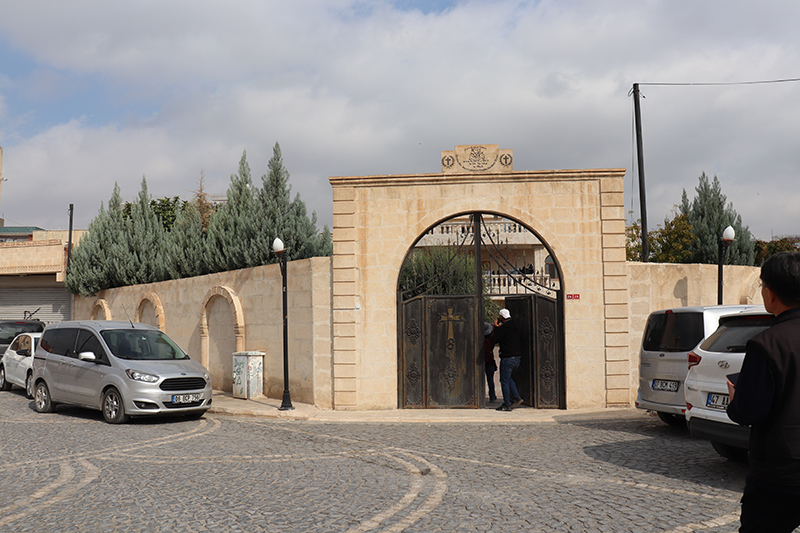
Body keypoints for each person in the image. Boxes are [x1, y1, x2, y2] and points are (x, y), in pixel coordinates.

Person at [727, 251, 800, 533]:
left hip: (779, 475)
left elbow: (749, 411)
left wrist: (736, 399)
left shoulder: (766, 344)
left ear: (769, 293)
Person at [490, 308, 524, 411]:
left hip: (507, 358)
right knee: (508, 378)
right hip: (517, 358)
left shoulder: (503, 329)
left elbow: (494, 339)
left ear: (501, 318)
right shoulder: (517, 326)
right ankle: (517, 397)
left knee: (504, 380)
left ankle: (507, 404)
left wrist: (496, 328)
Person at [483, 322, 498, 403]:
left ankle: (480, 396)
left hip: (482, 362)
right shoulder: (491, 339)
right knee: (490, 380)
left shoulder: (481, 340)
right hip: (490, 361)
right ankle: (492, 396)